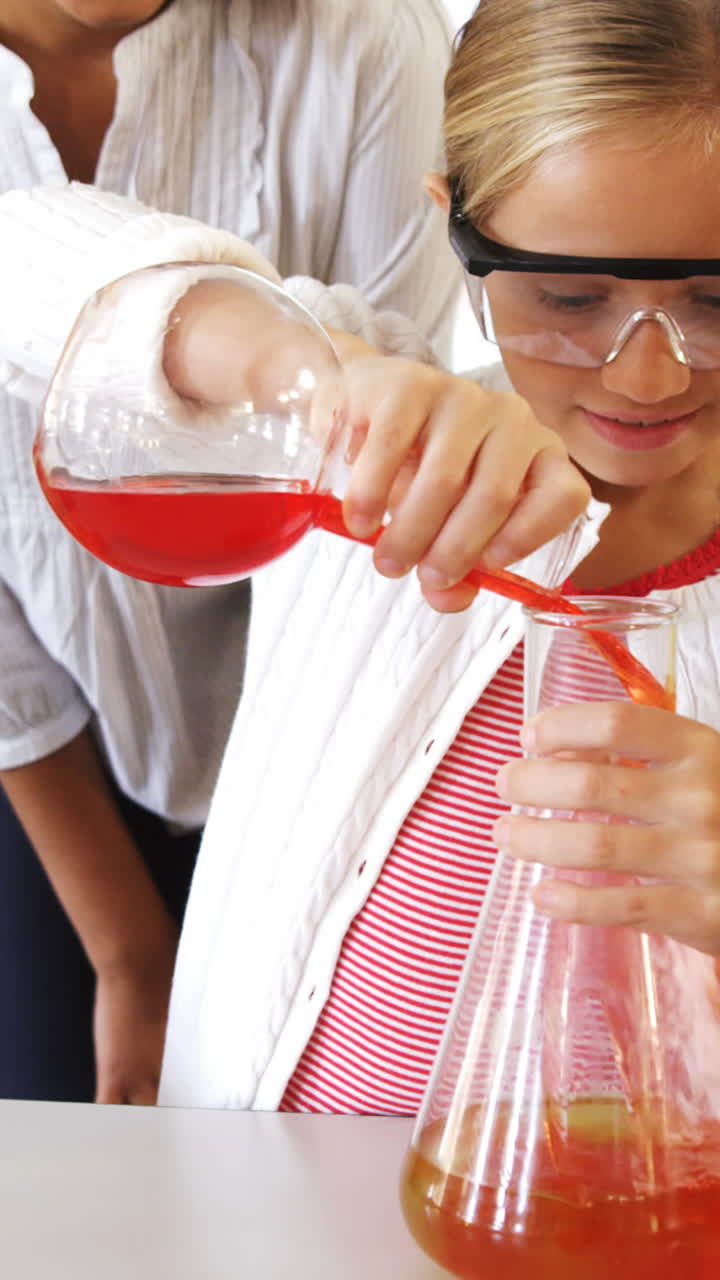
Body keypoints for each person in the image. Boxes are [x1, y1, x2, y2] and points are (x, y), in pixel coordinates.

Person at [151, 0, 720, 1110]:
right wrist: (306, 369)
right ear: (452, 222)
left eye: (717, 299)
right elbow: (32, 267)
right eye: (569, 295)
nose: (650, 376)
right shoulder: (361, 446)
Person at [0, 0, 460, 1103]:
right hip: (40, 750)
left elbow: (370, 483)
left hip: (306, 737)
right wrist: (130, 954)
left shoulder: (365, 45)